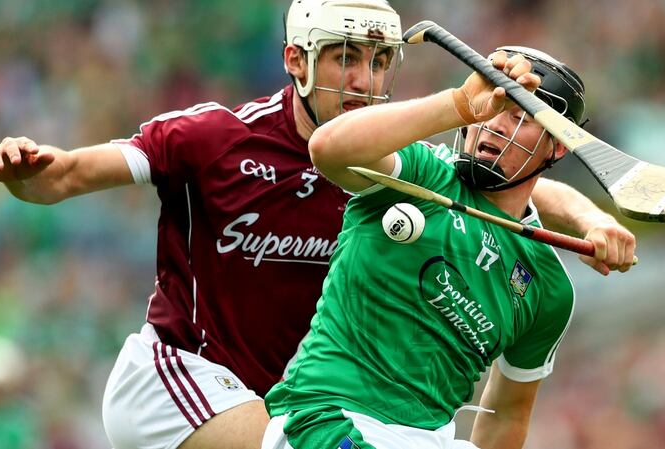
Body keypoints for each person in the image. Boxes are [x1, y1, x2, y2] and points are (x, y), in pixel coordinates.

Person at [0, 1, 634, 448]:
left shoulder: (403, 165)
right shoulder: (218, 138)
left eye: (379, 63)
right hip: (183, 375)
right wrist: (27, 170)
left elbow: (497, 193)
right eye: (346, 58)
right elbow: (62, 176)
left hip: (280, 395)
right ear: (295, 60)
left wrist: (586, 209)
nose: (364, 80)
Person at [263, 45, 634, 449]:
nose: (495, 125)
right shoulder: (420, 172)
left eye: (519, 117)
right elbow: (328, 148)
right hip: (329, 418)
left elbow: (507, 414)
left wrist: (595, 218)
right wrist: (458, 103)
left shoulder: (548, 288)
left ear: (557, 147)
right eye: (491, 107)